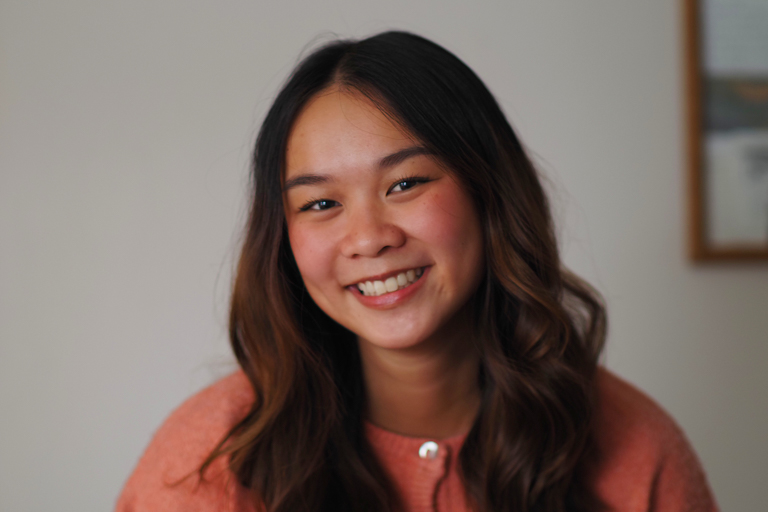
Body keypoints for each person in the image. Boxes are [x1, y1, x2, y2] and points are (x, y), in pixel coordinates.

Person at [116, 31, 718, 512]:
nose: (370, 238)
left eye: (406, 183)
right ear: (285, 240)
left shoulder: (636, 448)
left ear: (490, 194)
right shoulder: (210, 461)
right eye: (320, 203)